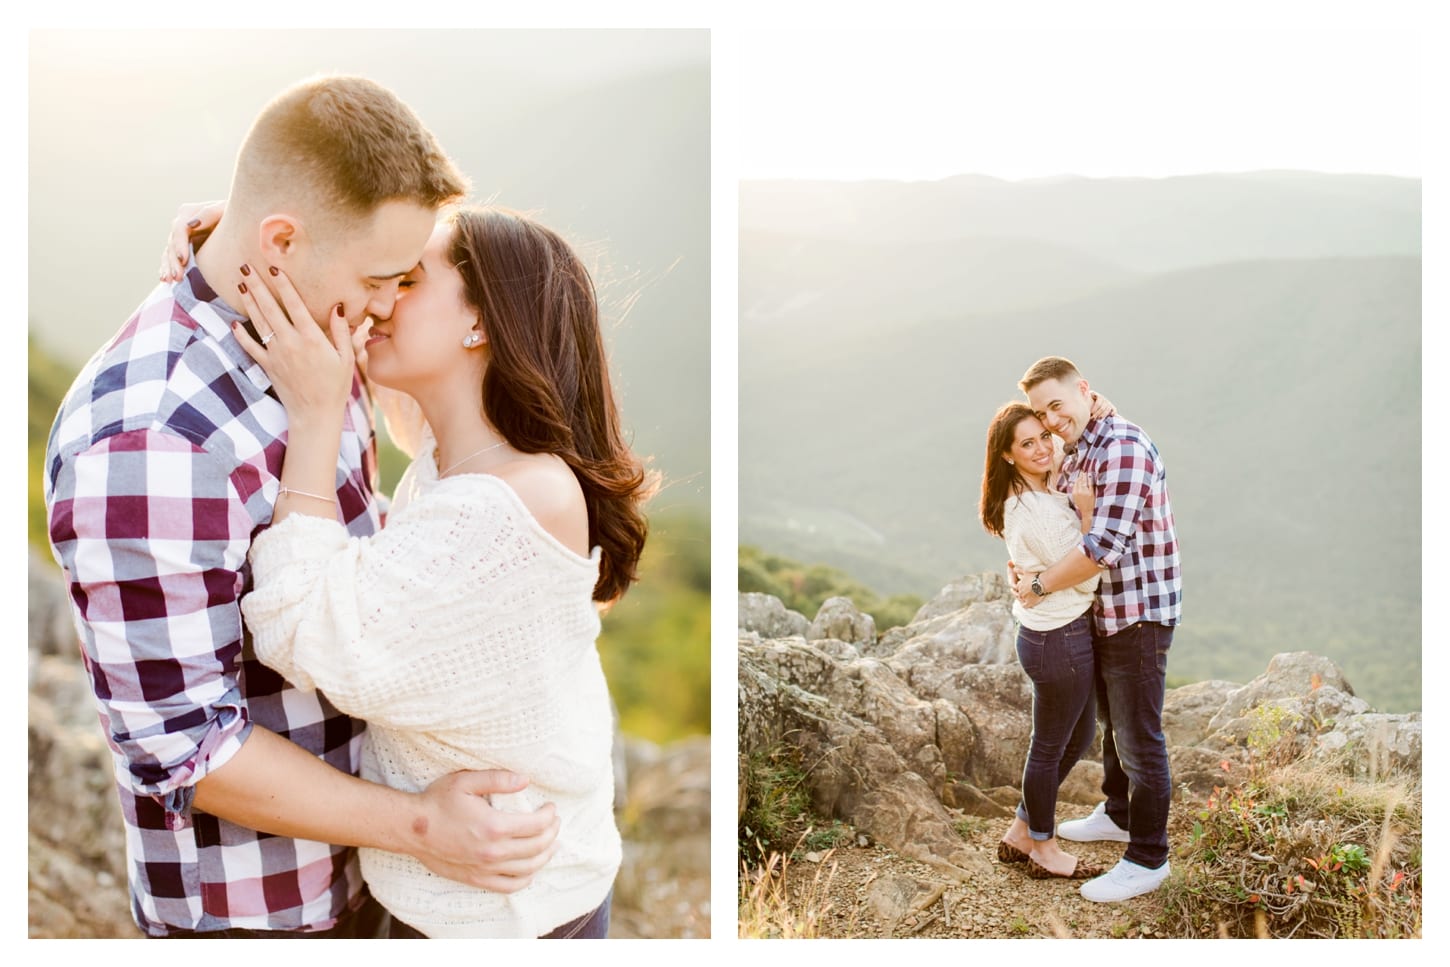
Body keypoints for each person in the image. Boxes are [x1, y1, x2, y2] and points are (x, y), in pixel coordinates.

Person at [43, 75, 560, 939]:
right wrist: (426, 826)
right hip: (263, 913)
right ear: (282, 242)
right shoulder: (149, 449)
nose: (391, 306)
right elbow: (185, 749)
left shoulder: (307, 320)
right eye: (382, 278)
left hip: (371, 871)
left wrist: (228, 231)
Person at [223, 203, 652, 938]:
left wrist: (318, 418)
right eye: (384, 278)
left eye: (409, 280)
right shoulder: (459, 447)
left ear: (479, 322)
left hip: (502, 912)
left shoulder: (514, 503)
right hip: (470, 895)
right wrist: (230, 228)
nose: (381, 300)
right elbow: (346, 276)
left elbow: (297, 626)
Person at [1012, 356, 1182, 903]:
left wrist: (1037, 586)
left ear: (1084, 390)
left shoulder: (1123, 448)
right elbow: (1056, 507)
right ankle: (1118, 814)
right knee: (1115, 723)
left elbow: (1100, 549)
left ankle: (1148, 857)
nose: (1052, 420)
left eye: (1057, 405)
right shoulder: (1086, 437)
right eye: (1042, 412)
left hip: (1138, 612)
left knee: (1138, 736)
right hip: (1101, 612)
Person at [979, 402, 1104, 880]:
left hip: (1053, 632)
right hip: (1058, 639)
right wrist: (1089, 517)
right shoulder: (1030, 508)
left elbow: (1053, 571)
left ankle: (1020, 831)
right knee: (1050, 746)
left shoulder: (1037, 493)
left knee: (1078, 734)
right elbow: (1086, 572)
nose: (1041, 448)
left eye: (1043, 437)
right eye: (1026, 443)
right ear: (1008, 455)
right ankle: (1045, 849)